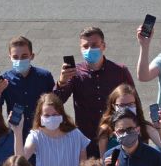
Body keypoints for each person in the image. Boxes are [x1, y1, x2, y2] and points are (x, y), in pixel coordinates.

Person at [55, 27, 136, 158]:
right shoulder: (75, 74)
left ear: (103, 46)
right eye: (85, 46)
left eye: (94, 45)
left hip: (115, 137)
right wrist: (62, 82)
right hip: (86, 141)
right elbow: (57, 102)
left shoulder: (119, 71)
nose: (89, 49)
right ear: (80, 48)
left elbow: (134, 102)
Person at [0, 36, 56, 139]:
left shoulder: (44, 76)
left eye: (24, 56)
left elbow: (56, 103)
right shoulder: (5, 80)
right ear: (10, 57)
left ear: (32, 56)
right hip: (16, 133)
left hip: (41, 132)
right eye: (15, 57)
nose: (20, 60)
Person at [96, 84, 161, 156]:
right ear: (113, 106)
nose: (126, 108)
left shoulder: (144, 127)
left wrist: (159, 128)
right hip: (117, 164)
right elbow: (103, 158)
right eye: (122, 105)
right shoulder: (106, 129)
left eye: (130, 104)